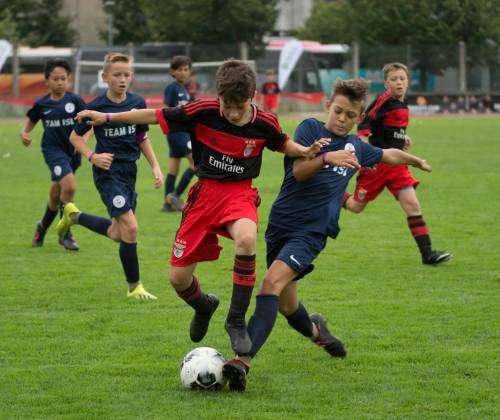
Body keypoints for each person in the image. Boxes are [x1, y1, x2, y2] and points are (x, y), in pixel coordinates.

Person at [74, 59, 333, 390]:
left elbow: (282, 143)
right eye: (227, 106)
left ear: (252, 96)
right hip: (203, 197)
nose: (233, 114)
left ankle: (236, 322)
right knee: (178, 279)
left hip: (238, 194)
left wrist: (305, 150)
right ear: (218, 96)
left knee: (246, 239)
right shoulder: (203, 110)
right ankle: (204, 305)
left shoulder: (264, 121)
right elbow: (154, 116)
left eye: (239, 107)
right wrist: (107, 116)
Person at [238, 78, 433, 391]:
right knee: (287, 305)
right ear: (329, 105)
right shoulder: (311, 130)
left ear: (359, 118)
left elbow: (387, 154)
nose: (342, 119)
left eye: (350, 115)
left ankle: (242, 361)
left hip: (312, 232)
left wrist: (415, 159)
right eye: (338, 111)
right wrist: (327, 157)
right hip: (281, 226)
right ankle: (319, 333)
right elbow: (298, 172)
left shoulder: (357, 146)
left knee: (270, 284)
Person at [56, 52, 163, 300]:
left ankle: (74, 216)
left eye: (127, 74)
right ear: (105, 77)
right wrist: (93, 156)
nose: (122, 79)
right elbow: (74, 137)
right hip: (108, 173)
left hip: (129, 172)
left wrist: (155, 166)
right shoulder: (94, 107)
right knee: (132, 228)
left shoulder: (137, 101)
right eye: (117, 75)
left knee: (118, 233)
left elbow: (141, 137)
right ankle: (134, 286)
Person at [343, 63, 451, 265]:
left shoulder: (402, 102)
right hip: (377, 164)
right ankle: (333, 192)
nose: (399, 82)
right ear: (386, 84)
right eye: (394, 79)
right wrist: (365, 150)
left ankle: (428, 255)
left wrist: (402, 137)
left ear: (408, 81)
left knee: (412, 205)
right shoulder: (384, 101)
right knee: (355, 206)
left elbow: (388, 127)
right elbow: (364, 122)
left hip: (398, 165)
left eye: (402, 78)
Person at [20, 58, 89, 251]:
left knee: (56, 193)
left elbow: (90, 123)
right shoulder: (42, 104)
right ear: (47, 80)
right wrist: (24, 133)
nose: (60, 82)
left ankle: (41, 227)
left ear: (69, 79)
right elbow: (31, 120)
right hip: (53, 151)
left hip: (73, 152)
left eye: (63, 78)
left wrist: (83, 141)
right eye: (56, 78)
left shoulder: (75, 101)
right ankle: (65, 233)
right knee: (69, 185)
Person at [161, 55, 196, 212]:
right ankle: (175, 195)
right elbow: (165, 109)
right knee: (196, 164)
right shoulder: (172, 88)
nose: (183, 72)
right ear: (172, 72)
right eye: (179, 69)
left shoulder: (184, 89)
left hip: (182, 133)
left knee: (173, 169)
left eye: (186, 69)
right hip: (177, 133)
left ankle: (167, 204)